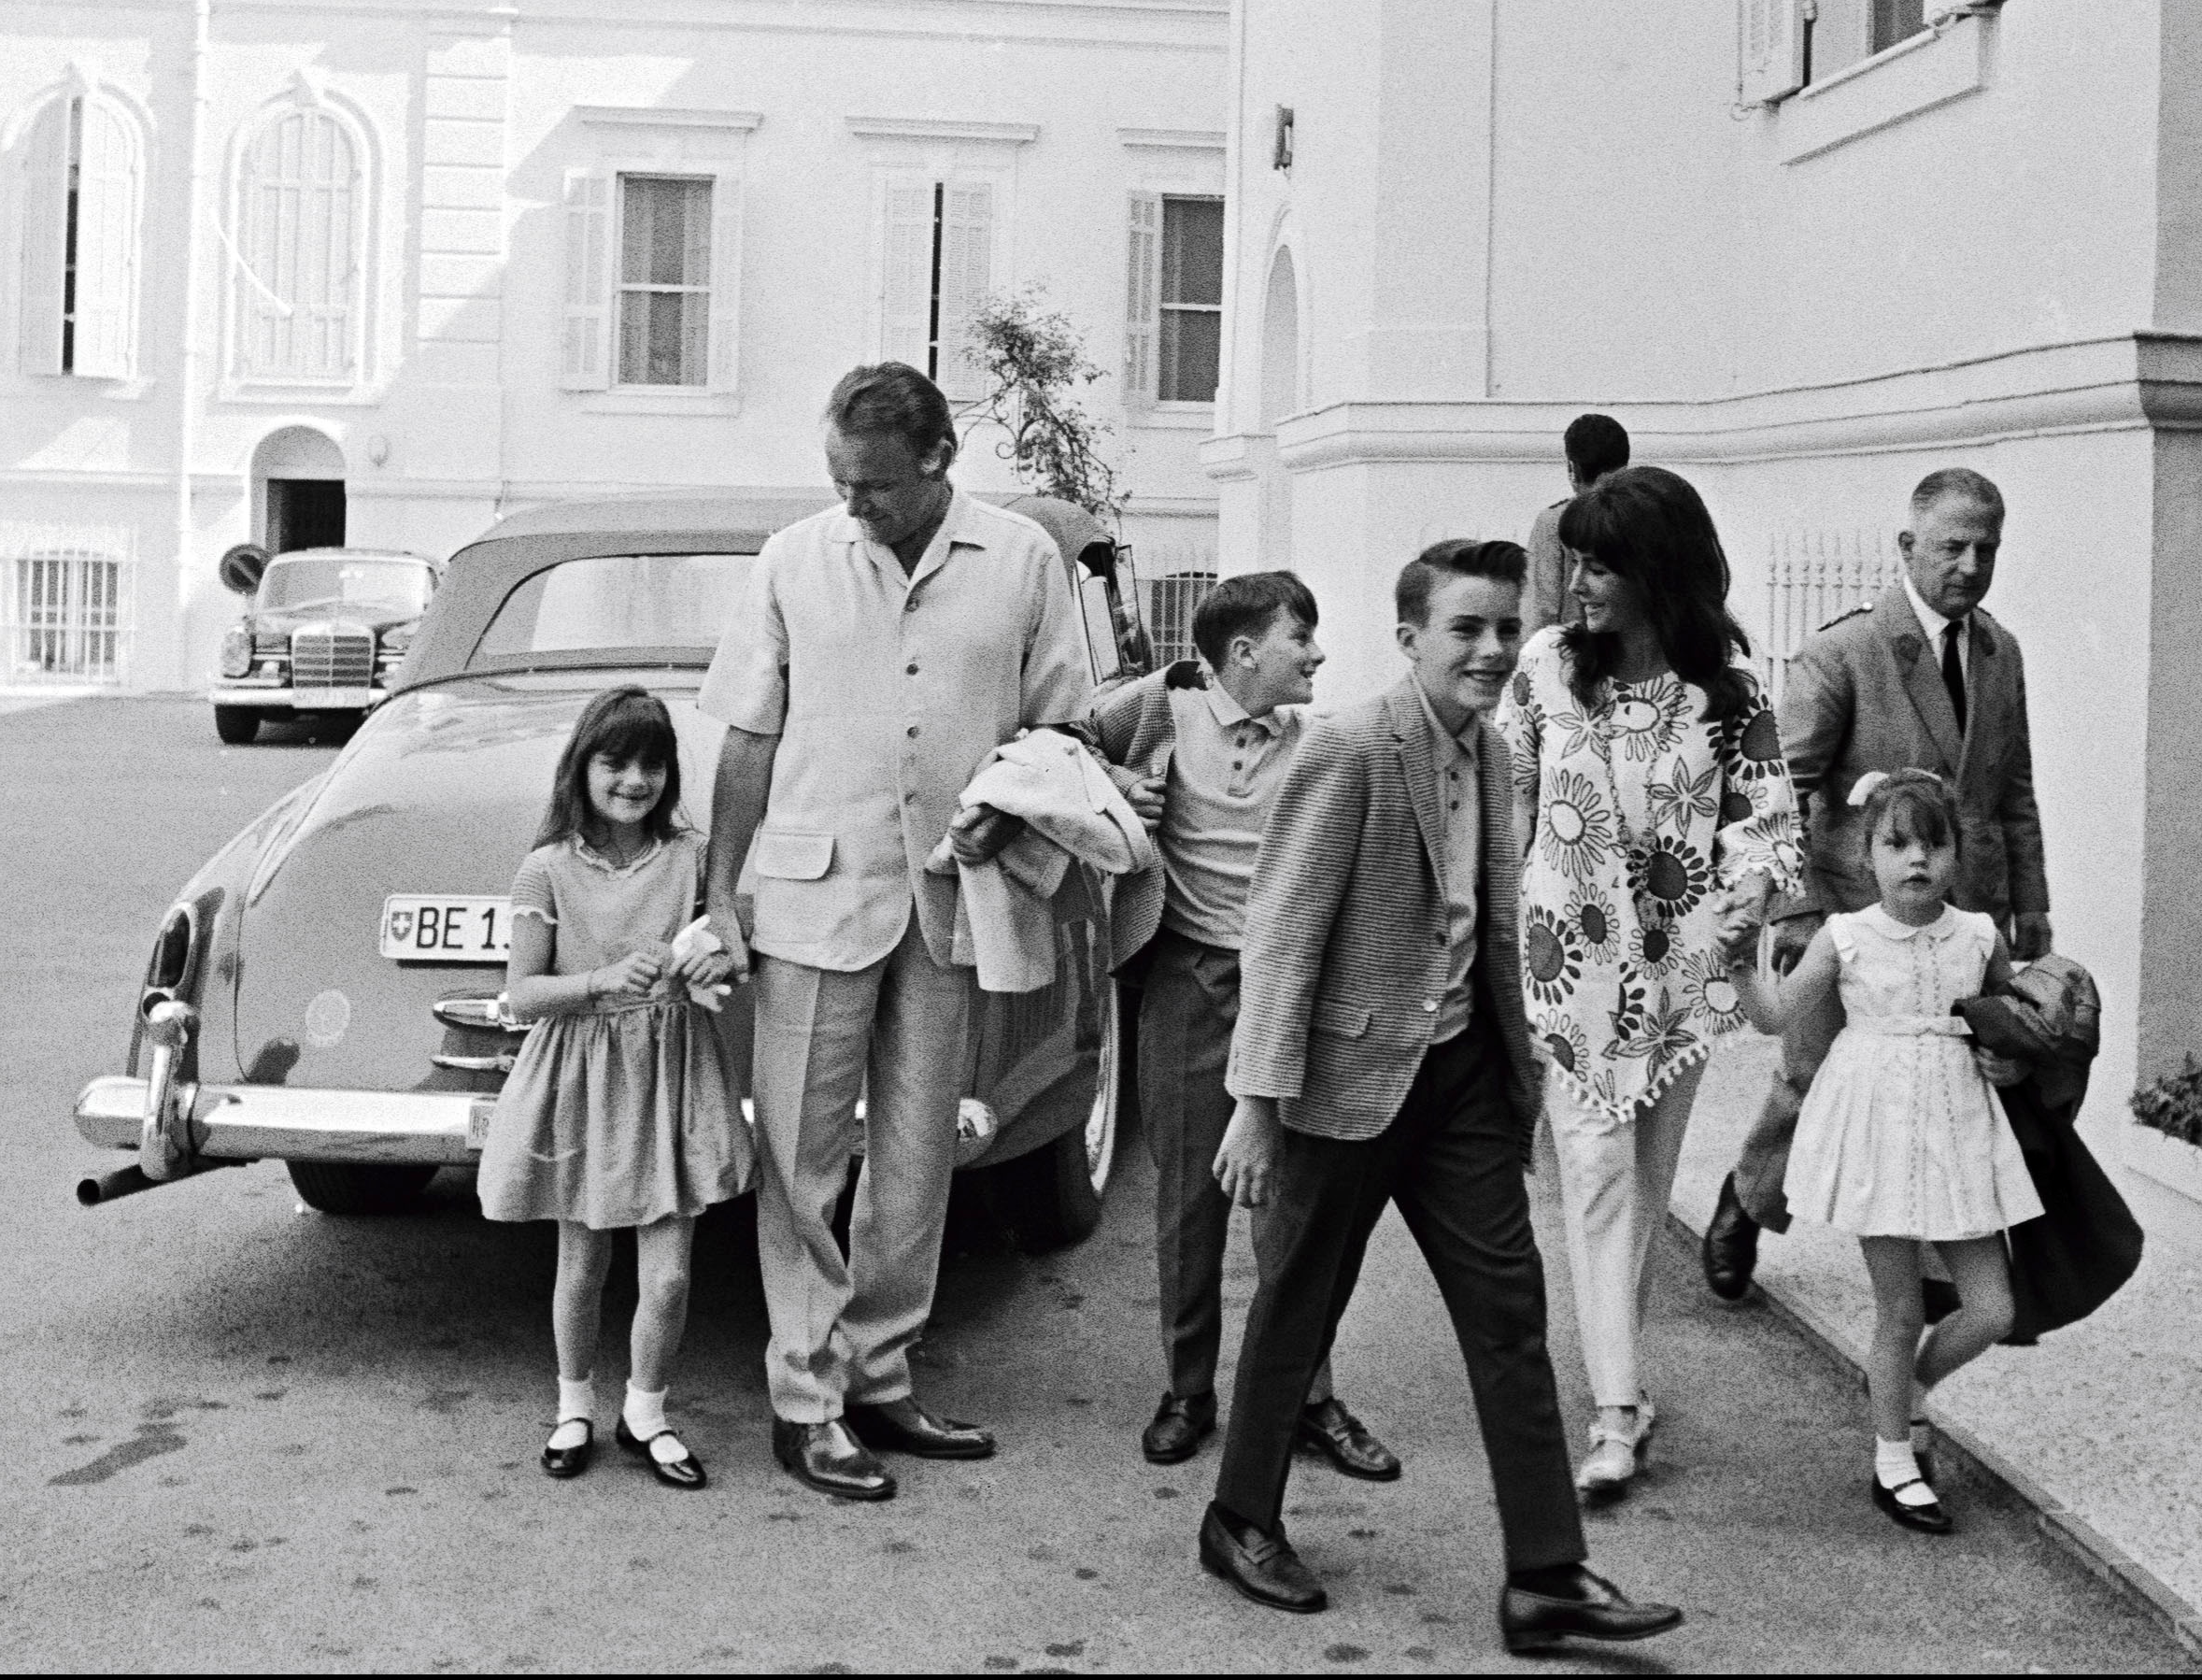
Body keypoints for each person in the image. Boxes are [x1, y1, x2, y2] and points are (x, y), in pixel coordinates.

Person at [1197, 539, 1682, 1654]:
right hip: (1347, 1081)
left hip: (1460, 1078)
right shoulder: (1354, 746)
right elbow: (1282, 929)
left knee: (1511, 1317)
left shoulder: (1505, 755)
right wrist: (1257, 1100)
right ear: (1409, 636)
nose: (1493, 648)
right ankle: (1239, 1518)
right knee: (1297, 1304)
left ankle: (1546, 1577)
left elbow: (1499, 921)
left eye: (1507, 627)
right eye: (1466, 628)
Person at [679, 363, 1096, 1502]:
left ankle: (878, 1372)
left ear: (937, 462)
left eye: (871, 485)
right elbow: (748, 740)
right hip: (815, 897)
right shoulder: (791, 560)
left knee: (916, 1156)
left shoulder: (1021, 561)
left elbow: (1063, 727)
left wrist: (1008, 802)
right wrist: (724, 892)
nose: (851, 503)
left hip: (955, 898)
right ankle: (803, 1399)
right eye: (837, 482)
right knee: (802, 1162)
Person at [1493, 467, 1799, 1502]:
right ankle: (1615, 1414)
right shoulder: (1544, 669)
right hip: (1566, 974)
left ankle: (1614, 1381)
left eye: (1601, 563)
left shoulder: (1730, 696)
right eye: (1573, 559)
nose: (1577, 582)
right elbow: (1503, 798)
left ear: (1656, 572)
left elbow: (1766, 825)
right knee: (1596, 1182)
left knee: (1643, 1190)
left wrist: (1745, 900)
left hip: (1679, 980)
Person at [1706, 466, 2050, 1303]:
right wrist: (1795, 913)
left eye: (1986, 548)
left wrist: (2031, 904)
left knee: (1948, 1085)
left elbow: (2012, 791)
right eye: (1951, 546)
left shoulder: (2000, 653)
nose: (1969, 564)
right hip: (1853, 913)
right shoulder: (1845, 651)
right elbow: (1778, 786)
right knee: (1812, 1074)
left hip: (1961, 918)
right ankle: (1745, 1202)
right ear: (1908, 547)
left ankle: (1935, 1254)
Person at [1094, 571, 1399, 1480]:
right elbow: (1054, 740)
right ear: (1241, 653)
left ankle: (1308, 1396)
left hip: (1291, 995)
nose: (1316, 653)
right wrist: (1112, 781)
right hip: (1185, 980)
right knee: (1189, 1199)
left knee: (1300, 1212)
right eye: (1299, 637)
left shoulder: (1321, 743)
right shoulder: (1159, 708)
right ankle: (1187, 1391)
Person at [1740, 768, 2039, 1533]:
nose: (1916, 860)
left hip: (1958, 1129)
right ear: (1865, 853)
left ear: (1955, 855)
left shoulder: (1978, 936)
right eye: (1896, 843)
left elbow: (2010, 1025)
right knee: (1899, 1307)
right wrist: (1744, 960)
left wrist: (2014, 1060)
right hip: (1877, 1126)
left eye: (1933, 844)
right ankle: (1893, 1455)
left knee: (1993, 1307)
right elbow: (1775, 1017)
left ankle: (1908, 1391)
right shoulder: (1845, 938)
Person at [476, 686, 756, 1492]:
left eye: (652, 764)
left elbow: (739, 946)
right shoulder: (548, 868)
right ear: (583, 768)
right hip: (583, 1075)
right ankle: (573, 1405)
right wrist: (601, 979)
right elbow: (522, 993)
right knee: (583, 1257)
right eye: (616, 761)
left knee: (668, 1272)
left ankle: (647, 1411)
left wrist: (722, 956)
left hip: (673, 1069)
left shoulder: (691, 857)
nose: (634, 779)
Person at [1521, 414, 1628, 634]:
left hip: (1576, 655)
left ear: (1572, 467)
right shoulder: (1649, 513)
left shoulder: (1554, 522)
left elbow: (1542, 610)